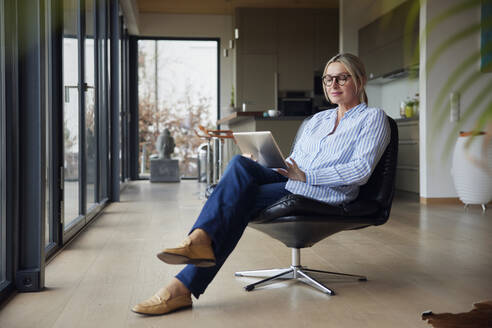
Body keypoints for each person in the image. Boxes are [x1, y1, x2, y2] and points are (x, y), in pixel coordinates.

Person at [131, 53, 391, 315]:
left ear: (360, 80)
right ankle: (196, 246)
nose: (333, 84)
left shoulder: (373, 118)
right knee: (240, 164)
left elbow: (361, 170)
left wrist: (307, 176)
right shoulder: (317, 120)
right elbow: (294, 160)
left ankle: (184, 280)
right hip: (292, 177)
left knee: (237, 203)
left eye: (341, 78)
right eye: (328, 79)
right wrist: (267, 161)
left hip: (322, 190)